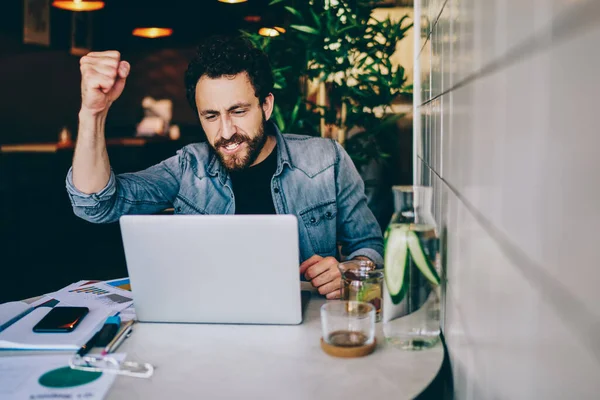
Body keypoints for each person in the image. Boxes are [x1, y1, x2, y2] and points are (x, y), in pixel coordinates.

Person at [65, 35, 383, 299]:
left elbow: (369, 247)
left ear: (266, 105)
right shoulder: (187, 168)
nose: (226, 131)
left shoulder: (326, 160)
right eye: (211, 116)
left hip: (306, 330)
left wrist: (345, 272)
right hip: (209, 333)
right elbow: (96, 204)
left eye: (238, 111)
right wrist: (93, 112)